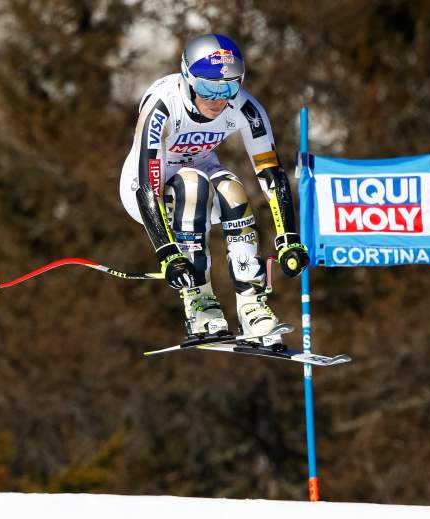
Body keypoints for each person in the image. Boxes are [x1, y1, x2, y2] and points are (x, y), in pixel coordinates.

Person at [119, 33, 309, 343]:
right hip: (144, 189)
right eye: (208, 87)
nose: (218, 100)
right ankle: (200, 304)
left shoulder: (247, 109)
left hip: (201, 173)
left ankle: (251, 305)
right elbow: (147, 185)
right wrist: (167, 253)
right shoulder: (163, 106)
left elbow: (271, 174)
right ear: (188, 78)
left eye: (229, 87)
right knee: (193, 185)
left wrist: (288, 238)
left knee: (233, 189)